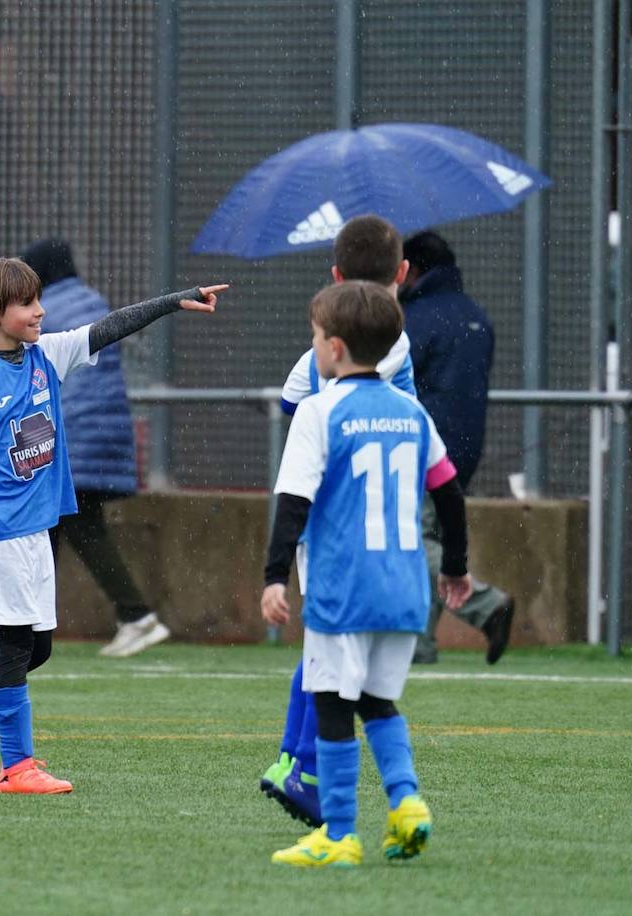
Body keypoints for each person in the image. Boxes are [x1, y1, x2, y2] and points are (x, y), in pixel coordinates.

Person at [0, 257, 225, 794]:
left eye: (38, 300)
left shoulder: (46, 356)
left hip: (36, 530)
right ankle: (17, 768)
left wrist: (174, 300)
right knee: (14, 647)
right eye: (27, 303)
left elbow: (108, 326)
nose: (40, 310)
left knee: (38, 650)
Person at [261, 280, 472, 867]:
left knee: (331, 703)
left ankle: (339, 833)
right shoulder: (412, 411)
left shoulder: (318, 412)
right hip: (404, 587)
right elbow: (449, 495)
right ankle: (406, 803)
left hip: (343, 584)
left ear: (330, 348)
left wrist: (274, 576)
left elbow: (293, 502)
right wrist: (455, 568)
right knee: (379, 703)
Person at [261, 214, 419, 828]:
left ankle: (294, 761)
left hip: (335, 518)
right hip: (360, 523)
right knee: (340, 661)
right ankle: (305, 769)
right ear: (403, 273)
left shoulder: (324, 350)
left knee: (325, 646)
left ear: (333, 276)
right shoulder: (391, 339)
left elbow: (291, 402)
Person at [20, 238, 167, 658]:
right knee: (58, 524)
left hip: (72, 435)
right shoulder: (90, 301)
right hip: (102, 432)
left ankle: (136, 614)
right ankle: (24, 616)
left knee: (75, 525)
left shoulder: (47, 312)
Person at [399, 230, 514, 665]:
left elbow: (398, 381)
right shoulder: (474, 316)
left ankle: (486, 604)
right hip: (466, 446)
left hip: (425, 443)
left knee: (412, 537)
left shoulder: (417, 319)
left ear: (415, 269)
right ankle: (420, 644)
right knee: (430, 532)